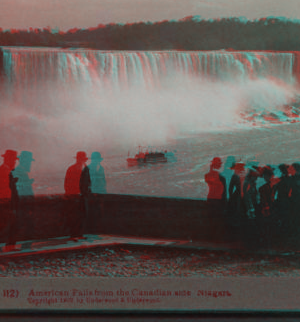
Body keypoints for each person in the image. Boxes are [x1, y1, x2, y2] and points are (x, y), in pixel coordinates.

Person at [6, 151, 35, 251]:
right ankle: (22, 247)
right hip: (21, 206)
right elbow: (18, 190)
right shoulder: (19, 172)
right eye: (29, 162)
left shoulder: (17, 171)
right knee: (23, 226)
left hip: (20, 205)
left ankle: (12, 246)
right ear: (24, 161)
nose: (29, 164)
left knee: (17, 226)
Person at [64, 151, 89, 241]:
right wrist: (71, 194)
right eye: (81, 159)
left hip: (82, 196)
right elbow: (67, 184)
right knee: (73, 216)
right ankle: (73, 235)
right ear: (78, 159)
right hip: (73, 196)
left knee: (82, 215)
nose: (82, 161)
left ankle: (79, 234)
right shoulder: (71, 168)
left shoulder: (85, 168)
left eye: (83, 159)